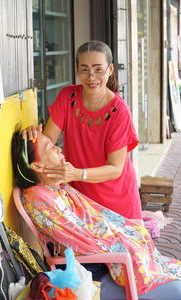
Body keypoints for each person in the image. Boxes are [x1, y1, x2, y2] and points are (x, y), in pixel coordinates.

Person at [12, 127, 181, 299]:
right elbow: (76, 246)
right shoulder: (38, 197)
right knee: (177, 290)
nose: (58, 148)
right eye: (50, 148)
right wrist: (122, 242)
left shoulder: (59, 188)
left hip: (110, 264)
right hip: (98, 273)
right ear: (37, 165)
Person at [24, 40, 142, 220]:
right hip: (80, 199)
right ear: (77, 70)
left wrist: (78, 174)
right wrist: (34, 135)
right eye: (85, 69)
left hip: (117, 201)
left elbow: (115, 168)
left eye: (98, 69)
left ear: (110, 70)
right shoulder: (67, 97)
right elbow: (47, 142)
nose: (91, 76)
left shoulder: (120, 112)